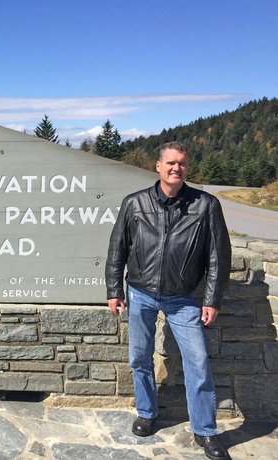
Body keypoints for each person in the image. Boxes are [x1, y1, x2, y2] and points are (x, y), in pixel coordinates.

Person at [105, 141, 231, 460]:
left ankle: (205, 430)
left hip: (183, 298)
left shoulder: (205, 205)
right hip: (140, 293)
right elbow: (117, 248)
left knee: (198, 362)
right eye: (171, 163)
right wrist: (113, 290)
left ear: (187, 168)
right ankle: (147, 413)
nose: (177, 168)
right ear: (158, 165)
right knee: (139, 357)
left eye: (183, 164)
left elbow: (219, 257)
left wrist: (212, 298)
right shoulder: (134, 203)